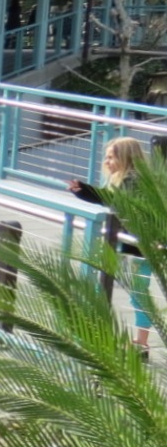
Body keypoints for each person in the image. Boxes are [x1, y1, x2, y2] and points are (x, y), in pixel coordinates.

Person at [69, 136, 154, 355]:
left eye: (111, 157)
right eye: (106, 157)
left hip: (139, 245)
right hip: (132, 243)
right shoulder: (128, 178)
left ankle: (141, 342)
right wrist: (84, 191)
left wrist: (86, 191)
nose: (106, 162)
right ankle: (139, 340)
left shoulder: (134, 181)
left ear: (125, 157)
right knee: (136, 291)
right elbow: (110, 199)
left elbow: (120, 203)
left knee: (138, 292)